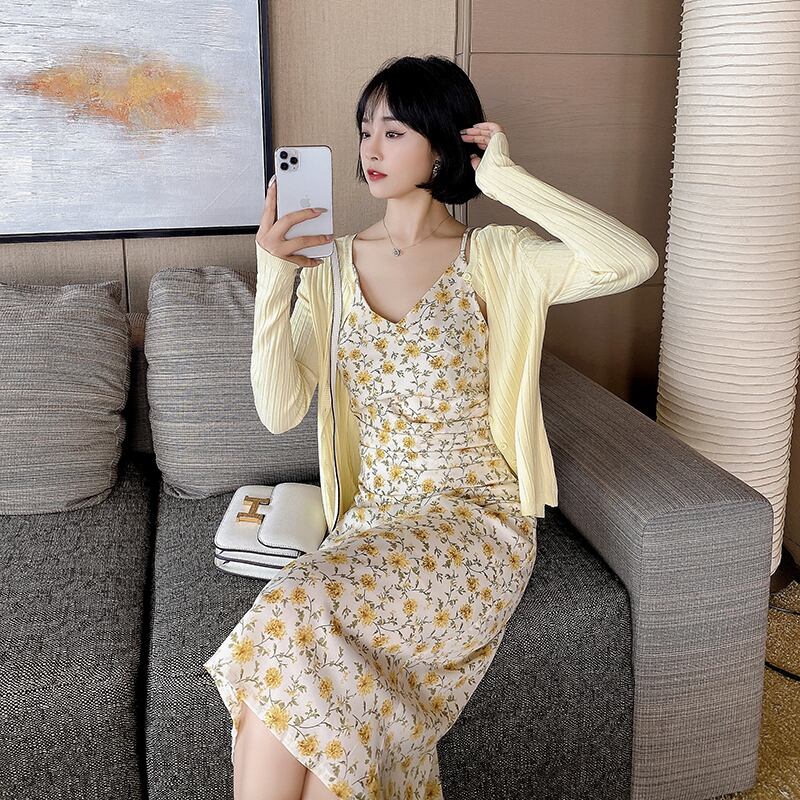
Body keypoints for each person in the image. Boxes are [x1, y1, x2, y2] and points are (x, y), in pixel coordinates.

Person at [204, 54, 658, 800]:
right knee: (294, 681)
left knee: (290, 610)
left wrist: (505, 181)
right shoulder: (330, 268)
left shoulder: (496, 258)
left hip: (474, 520)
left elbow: (630, 261)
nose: (371, 149)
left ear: (443, 145)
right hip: (372, 521)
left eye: (395, 131)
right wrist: (274, 273)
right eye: (365, 131)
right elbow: (280, 409)